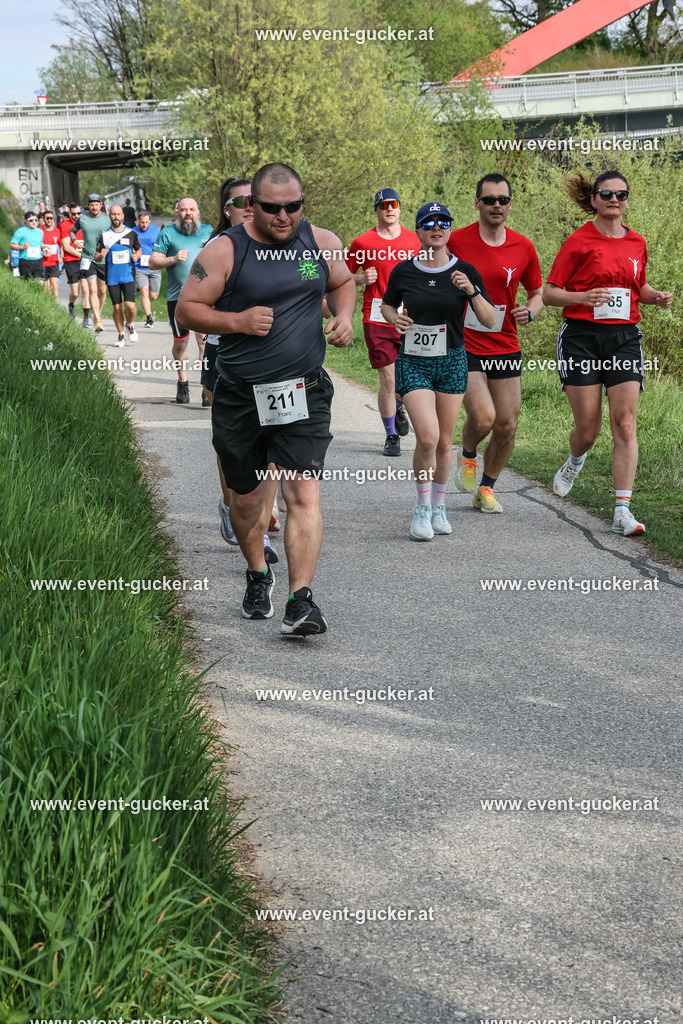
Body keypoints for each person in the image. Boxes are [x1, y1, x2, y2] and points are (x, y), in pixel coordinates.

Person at [176, 162, 356, 635]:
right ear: (251, 205)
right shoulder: (223, 252)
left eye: (293, 207)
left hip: (304, 390)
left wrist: (345, 318)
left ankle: (301, 600)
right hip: (241, 396)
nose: (284, 216)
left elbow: (342, 282)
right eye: (273, 208)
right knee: (248, 501)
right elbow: (186, 309)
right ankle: (257, 573)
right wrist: (236, 322)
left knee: (302, 493)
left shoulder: (321, 242)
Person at [543, 170, 673, 536]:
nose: (614, 199)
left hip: (624, 338)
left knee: (625, 425)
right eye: (607, 194)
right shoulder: (579, 241)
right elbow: (550, 293)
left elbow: (639, 286)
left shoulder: (637, 243)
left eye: (621, 194)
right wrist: (582, 297)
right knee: (588, 429)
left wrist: (655, 296)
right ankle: (575, 460)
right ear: (595, 200)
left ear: (627, 200)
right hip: (581, 338)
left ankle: (622, 510)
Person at [381, 202, 495, 540]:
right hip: (414, 360)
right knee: (427, 437)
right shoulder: (404, 271)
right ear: (418, 230)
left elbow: (489, 320)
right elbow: (387, 303)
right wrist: (394, 318)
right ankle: (420, 508)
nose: (436, 226)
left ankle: (438, 506)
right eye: (428, 222)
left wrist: (471, 291)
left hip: (452, 360)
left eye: (443, 221)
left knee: (445, 443)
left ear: (449, 229)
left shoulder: (466, 271)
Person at [448, 173, 544, 513]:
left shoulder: (523, 246)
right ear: (477, 204)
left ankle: (486, 489)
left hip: (505, 343)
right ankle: (468, 452)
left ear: (510, 204)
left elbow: (538, 292)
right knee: (485, 417)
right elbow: (428, 272)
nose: (496, 206)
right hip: (465, 342)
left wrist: (530, 312)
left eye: (502, 200)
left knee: (507, 424)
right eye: (489, 200)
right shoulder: (456, 241)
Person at [200, 175, 281, 562]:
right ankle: (232, 500)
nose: (251, 205)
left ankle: (262, 517)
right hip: (224, 354)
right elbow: (195, 309)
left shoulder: (280, 244)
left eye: (255, 199)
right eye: (242, 200)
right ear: (227, 210)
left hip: (275, 357)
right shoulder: (215, 249)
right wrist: (237, 320)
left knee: (275, 435)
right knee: (230, 440)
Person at [346, 188, 421, 456]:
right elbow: (341, 276)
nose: (390, 209)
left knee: (406, 379)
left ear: (400, 208)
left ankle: (397, 408)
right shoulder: (362, 243)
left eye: (394, 204)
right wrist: (360, 279)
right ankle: (391, 435)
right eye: (384, 205)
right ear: (376, 210)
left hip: (409, 318)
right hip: (376, 317)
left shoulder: (415, 241)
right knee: (388, 379)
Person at [149, 197, 212, 403]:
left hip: (205, 296)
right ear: (177, 212)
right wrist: (173, 259)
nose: (187, 213)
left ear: (197, 211)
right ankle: (183, 383)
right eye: (183, 210)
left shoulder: (209, 231)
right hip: (178, 298)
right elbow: (152, 262)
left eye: (191, 209)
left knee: (204, 342)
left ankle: (206, 386)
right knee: (181, 343)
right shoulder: (168, 232)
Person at [94, 205, 141, 347]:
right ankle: (121, 335)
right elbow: (96, 256)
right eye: (113, 214)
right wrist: (100, 255)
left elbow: (138, 251)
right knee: (117, 308)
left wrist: (136, 257)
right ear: (110, 216)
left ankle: (130, 324)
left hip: (128, 276)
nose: (116, 217)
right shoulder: (105, 235)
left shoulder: (131, 233)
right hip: (112, 277)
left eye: (118, 214)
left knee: (130, 307)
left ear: (122, 216)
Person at [70, 194, 109, 331]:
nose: (94, 207)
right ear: (89, 206)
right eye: (91, 205)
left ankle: (96, 313)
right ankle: (98, 320)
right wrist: (74, 241)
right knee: (92, 288)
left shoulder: (107, 219)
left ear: (100, 204)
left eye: (96, 204)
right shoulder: (83, 219)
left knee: (102, 290)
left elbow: (116, 233)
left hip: (103, 259)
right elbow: (72, 231)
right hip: (87, 258)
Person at [133, 210, 161, 328]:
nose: (144, 225)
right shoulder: (133, 232)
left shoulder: (157, 231)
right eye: (142, 222)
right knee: (144, 291)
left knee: (153, 296)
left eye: (146, 222)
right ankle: (149, 318)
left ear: (149, 221)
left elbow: (162, 246)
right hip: (139, 267)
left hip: (154, 266)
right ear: (138, 221)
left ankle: (145, 300)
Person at [59, 202, 83, 317]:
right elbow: (66, 246)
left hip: (85, 260)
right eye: (73, 214)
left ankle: (87, 316)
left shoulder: (85, 223)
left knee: (88, 289)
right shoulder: (64, 225)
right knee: (75, 291)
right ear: (69, 213)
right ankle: (71, 304)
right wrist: (80, 255)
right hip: (71, 260)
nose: (76, 216)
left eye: (78, 213)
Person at [9, 211, 45, 282]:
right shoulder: (20, 231)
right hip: (25, 262)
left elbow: (40, 243)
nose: (34, 222)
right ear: (25, 221)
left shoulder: (40, 232)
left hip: (38, 261)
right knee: (27, 284)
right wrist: (22, 247)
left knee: (40, 283)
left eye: (35, 220)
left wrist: (45, 248)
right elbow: (11, 246)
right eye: (31, 220)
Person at [40, 209, 61, 299]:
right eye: (47, 218)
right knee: (44, 288)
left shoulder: (57, 231)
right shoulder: (39, 231)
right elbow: (35, 244)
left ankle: (55, 308)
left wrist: (62, 257)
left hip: (54, 263)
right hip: (42, 263)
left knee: (55, 286)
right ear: (44, 219)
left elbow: (62, 245)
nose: (49, 220)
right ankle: (46, 307)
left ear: (53, 219)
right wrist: (42, 250)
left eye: (51, 218)